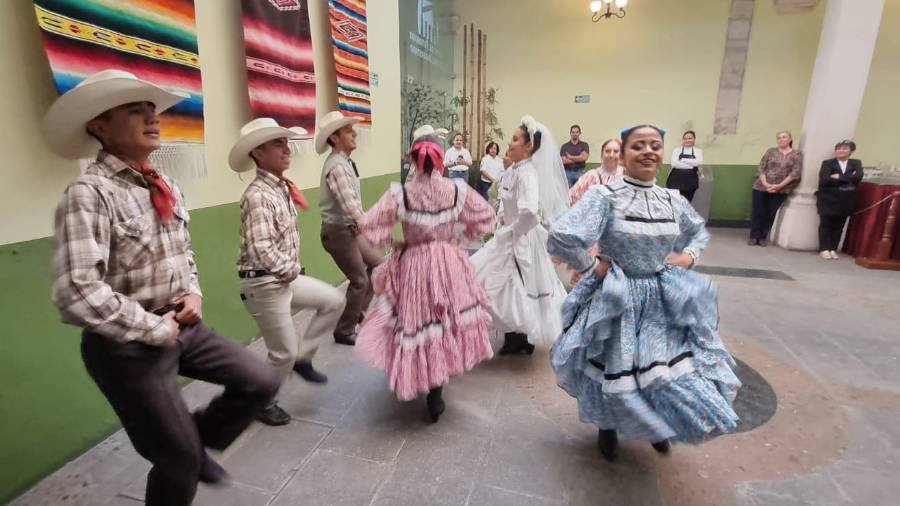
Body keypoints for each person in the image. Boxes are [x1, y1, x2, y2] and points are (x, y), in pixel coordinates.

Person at [47, 70, 279, 505]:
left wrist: (193, 293)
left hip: (180, 320)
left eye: (153, 111)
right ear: (99, 126)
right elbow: (76, 292)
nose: (153, 119)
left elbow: (182, 253)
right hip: (125, 345)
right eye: (135, 111)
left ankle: (192, 445)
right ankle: (185, 454)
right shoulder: (89, 193)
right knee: (177, 463)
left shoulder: (165, 184)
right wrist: (154, 330)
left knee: (260, 379)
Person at [548, 124, 740, 462]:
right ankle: (607, 426)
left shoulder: (672, 199)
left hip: (662, 296)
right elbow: (563, 235)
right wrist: (593, 266)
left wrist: (689, 256)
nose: (648, 151)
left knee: (659, 366)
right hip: (617, 298)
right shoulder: (604, 196)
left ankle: (655, 424)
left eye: (655, 145)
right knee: (615, 364)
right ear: (622, 155)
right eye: (638, 146)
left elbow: (698, 231)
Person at [355, 126, 495, 422]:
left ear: (413, 161)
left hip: (415, 262)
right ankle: (436, 389)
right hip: (447, 260)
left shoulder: (402, 193)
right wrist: (459, 233)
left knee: (417, 321)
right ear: (441, 160)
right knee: (442, 321)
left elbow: (369, 224)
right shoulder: (455, 189)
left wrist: (394, 242)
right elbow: (484, 215)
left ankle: (423, 377)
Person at [230, 118, 346, 426]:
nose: (286, 149)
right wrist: (293, 271)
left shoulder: (281, 189)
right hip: (265, 283)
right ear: (257, 153)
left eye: (285, 142)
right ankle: (261, 401)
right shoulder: (257, 195)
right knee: (282, 353)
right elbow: (261, 250)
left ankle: (303, 359)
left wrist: (291, 273)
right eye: (277, 144)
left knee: (334, 300)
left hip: (282, 278)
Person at [471, 115, 569, 355]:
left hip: (522, 238)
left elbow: (530, 214)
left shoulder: (528, 174)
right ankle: (515, 335)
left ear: (529, 146)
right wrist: (502, 217)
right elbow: (507, 201)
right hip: (509, 234)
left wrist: (511, 232)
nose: (510, 143)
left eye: (515, 139)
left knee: (517, 284)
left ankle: (520, 336)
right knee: (498, 282)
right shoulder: (514, 170)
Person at [315, 111, 383, 345]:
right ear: (334, 138)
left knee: (379, 265)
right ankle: (344, 330)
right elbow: (351, 206)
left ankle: (357, 315)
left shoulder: (346, 162)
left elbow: (354, 207)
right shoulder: (337, 167)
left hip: (349, 229)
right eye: (348, 131)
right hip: (339, 232)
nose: (354, 133)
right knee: (360, 280)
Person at [749, 131, 802, 246]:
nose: (781, 139)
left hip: (781, 189)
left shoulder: (796, 154)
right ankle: (754, 236)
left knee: (771, 213)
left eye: (784, 137)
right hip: (761, 187)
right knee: (758, 212)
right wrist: (766, 184)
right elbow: (761, 167)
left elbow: (795, 173)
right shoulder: (771, 152)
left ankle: (763, 237)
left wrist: (779, 186)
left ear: (790, 139)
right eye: (779, 138)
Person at [816, 140, 864, 260]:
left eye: (844, 149)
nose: (840, 151)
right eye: (838, 148)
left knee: (839, 225)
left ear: (851, 151)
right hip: (828, 198)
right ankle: (824, 248)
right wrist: (848, 178)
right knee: (825, 223)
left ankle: (833, 248)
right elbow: (825, 179)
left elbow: (858, 176)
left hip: (847, 199)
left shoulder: (855, 163)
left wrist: (839, 177)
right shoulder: (828, 163)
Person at [569, 138, 625, 204]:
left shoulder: (627, 177)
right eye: (607, 151)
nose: (611, 155)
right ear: (602, 154)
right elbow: (572, 198)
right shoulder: (591, 176)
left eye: (616, 151)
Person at [666, 130, 704, 202]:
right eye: (685, 138)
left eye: (690, 138)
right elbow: (674, 164)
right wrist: (691, 164)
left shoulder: (698, 151)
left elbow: (698, 163)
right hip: (674, 180)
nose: (687, 140)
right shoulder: (676, 150)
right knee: (674, 203)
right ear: (682, 140)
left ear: (694, 139)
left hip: (690, 181)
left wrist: (682, 160)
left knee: (687, 203)